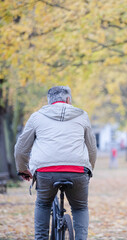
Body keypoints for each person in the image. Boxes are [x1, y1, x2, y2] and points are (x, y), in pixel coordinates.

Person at [14, 86, 97, 240]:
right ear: (68, 100)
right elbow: (92, 148)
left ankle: (41, 238)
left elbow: (21, 148)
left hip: (46, 171)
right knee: (80, 208)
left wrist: (23, 169)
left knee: (43, 205)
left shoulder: (37, 117)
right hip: (78, 170)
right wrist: (89, 169)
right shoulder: (82, 116)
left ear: (49, 102)